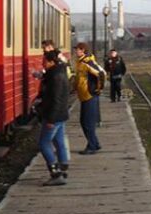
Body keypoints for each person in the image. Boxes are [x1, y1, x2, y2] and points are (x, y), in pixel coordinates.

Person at [37, 48, 70, 185]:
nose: (43, 64)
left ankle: (55, 173)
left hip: (54, 116)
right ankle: (63, 169)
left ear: (51, 62)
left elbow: (55, 99)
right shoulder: (60, 72)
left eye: (44, 61)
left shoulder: (54, 77)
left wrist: (51, 119)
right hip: (61, 114)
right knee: (59, 142)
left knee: (44, 143)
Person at [72, 42, 103, 154]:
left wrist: (97, 89)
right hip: (84, 96)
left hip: (89, 96)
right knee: (84, 122)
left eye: (78, 49)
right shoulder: (79, 62)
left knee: (88, 123)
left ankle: (92, 146)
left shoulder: (88, 62)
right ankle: (95, 143)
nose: (76, 51)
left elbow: (101, 74)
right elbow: (79, 78)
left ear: (83, 50)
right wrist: (75, 87)